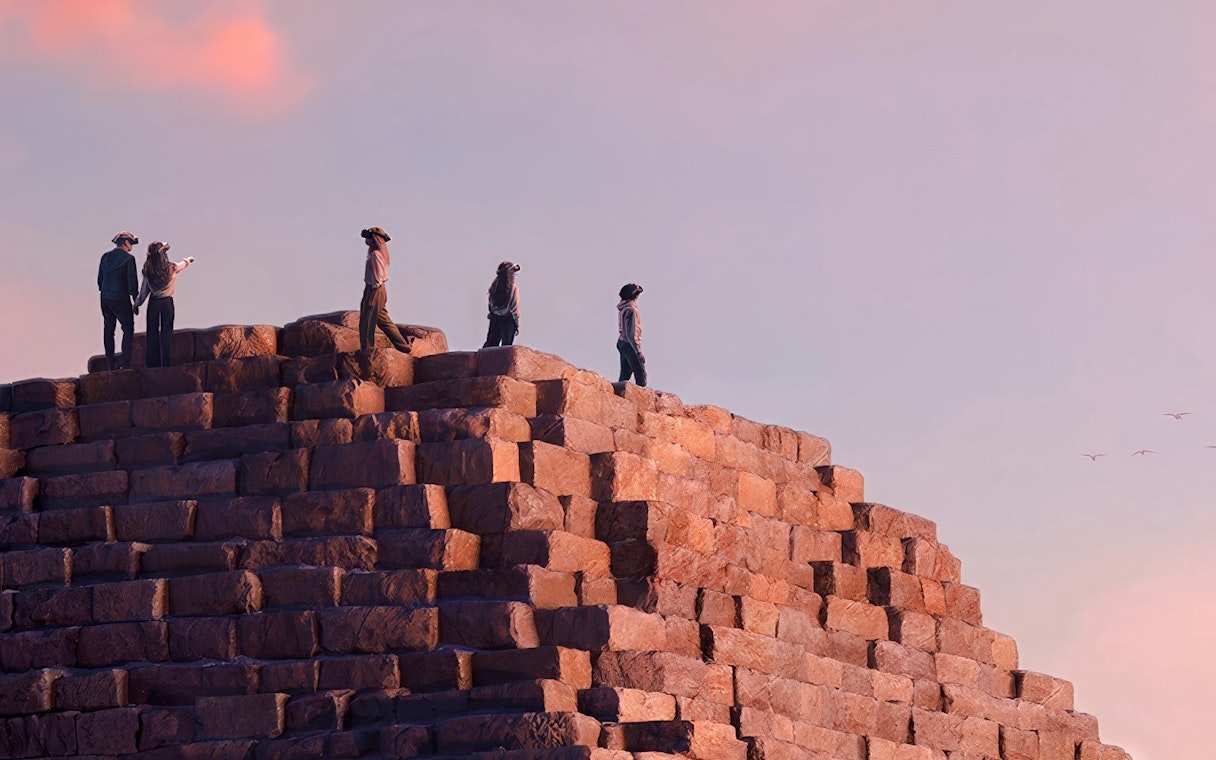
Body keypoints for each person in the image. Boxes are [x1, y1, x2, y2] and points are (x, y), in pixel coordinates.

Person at [135, 241, 194, 368]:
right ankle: (166, 363)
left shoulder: (148, 271)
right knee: (166, 334)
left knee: (152, 334)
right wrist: (189, 260)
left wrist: (136, 305)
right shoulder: (172, 268)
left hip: (154, 303)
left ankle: (152, 365)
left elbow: (144, 292)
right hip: (167, 303)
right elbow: (183, 265)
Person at [358, 226, 413, 353]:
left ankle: (367, 349)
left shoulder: (376, 255)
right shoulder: (375, 254)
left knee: (368, 320)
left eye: (369, 238)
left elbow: (379, 277)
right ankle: (404, 346)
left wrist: (373, 295)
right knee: (382, 320)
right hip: (373, 288)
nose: (367, 241)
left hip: (375, 289)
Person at [97, 231, 141, 370]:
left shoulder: (105, 257)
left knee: (109, 329)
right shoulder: (129, 259)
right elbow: (132, 284)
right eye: (131, 243)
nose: (131, 246)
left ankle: (111, 364)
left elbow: (100, 281)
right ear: (125, 242)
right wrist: (136, 302)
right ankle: (125, 363)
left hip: (105, 297)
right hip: (121, 298)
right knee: (128, 328)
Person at [483, 261, 521, 348]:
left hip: (495, 318)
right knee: (506, 347)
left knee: (491, 345)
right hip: (508, 319)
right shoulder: (514, 288)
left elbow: (490, 304)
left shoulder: (493, 287)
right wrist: (516, 324)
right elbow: (514, 308)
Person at [617, 282, 646, 387]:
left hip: (622, 341)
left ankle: (618, 394)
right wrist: (638, 351)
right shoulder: (631, 309)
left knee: (625, 374)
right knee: (640, 374)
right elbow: (631, 333)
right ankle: (641, 396)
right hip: (629, 343)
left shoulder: (624, 307)